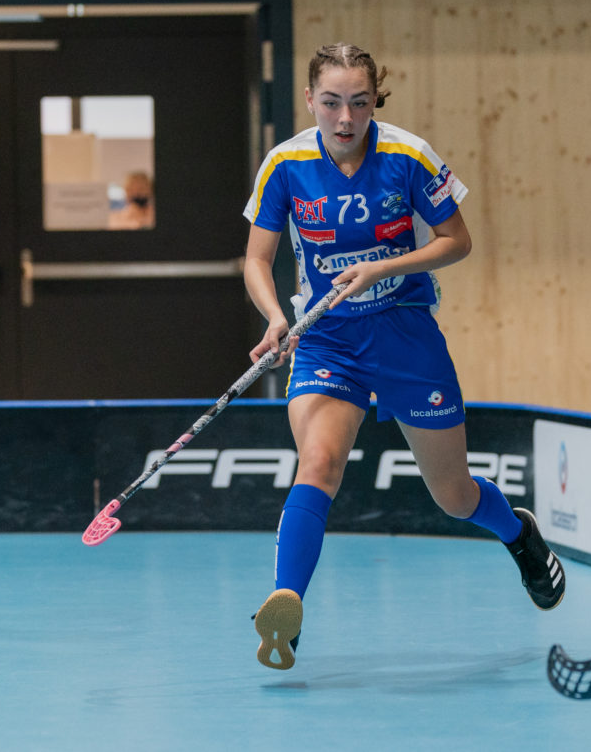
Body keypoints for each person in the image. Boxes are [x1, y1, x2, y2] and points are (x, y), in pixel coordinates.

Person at [241, 43, 564, 671]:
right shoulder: (284, 165)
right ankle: (287, 606)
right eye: (331, 102)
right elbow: (257, 258)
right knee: (320, 460)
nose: (344, 118)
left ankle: (518, 534)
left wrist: (384, 267)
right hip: (328, 337)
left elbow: (457, 240)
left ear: (373, 103)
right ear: (310, 100)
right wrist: (277, 316)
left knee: (453, 494)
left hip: (405, 334)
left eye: (358, 103)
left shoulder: (409, 156)